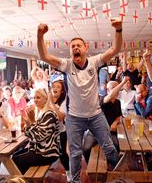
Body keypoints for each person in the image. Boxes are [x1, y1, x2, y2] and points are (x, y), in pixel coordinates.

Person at [37, 18, 122, 183]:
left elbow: (115, 49)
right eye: (72, 46)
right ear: (70, 51)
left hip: (96, 115)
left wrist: (118, 30)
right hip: (74, 118)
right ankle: (75, 181)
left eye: (78, 45)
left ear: (86, 48)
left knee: (109, 148)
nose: (75, 48)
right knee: (75, 153)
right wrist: (40, 35)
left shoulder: (94, 62)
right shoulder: (66, 65)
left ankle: (120, 176)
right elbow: (44, 55)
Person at [12, 88, 60, 174]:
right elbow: (31, 134)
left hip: (47, 153)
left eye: (38, 97)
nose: (35, 100)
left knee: (16, 161)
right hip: (38, 149)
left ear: (45, 99)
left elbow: (39, 137)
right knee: (14, 157)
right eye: (34, 98)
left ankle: (26, 180)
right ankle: (26, 179)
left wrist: (31, 122)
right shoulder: (40, 112)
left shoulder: (49, 114)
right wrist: (28, 122)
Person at [83, 77, 129, 163]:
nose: (117, 90)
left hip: (109, 132)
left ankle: (113, 166)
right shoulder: (103, 99)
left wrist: (115, 122)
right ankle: (90, 166)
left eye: (117, 88)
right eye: (113, 88)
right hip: (95, 131)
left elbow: (119, 116)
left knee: (117, 146)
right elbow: (111, 95)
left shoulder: (118, 102)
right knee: (86, 149)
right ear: (108, 90)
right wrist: (122, 83)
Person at [48, 79, 71, 182]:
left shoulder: (64, 101)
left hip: (61, 131)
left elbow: (61, 117)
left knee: (62, 154)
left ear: (62, 91)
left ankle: (68, 172)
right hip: (48, 132)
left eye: (58, 87)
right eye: (54, 86)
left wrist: (52, 104)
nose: (55, 88)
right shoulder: (47, 98)